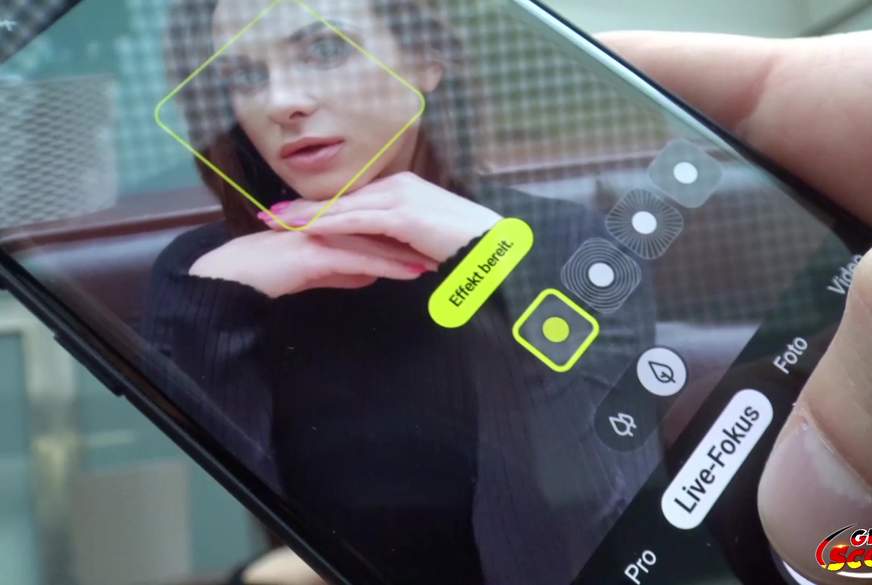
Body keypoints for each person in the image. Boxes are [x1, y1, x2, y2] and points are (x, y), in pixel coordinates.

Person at [144, 1, 654, 584]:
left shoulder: (565, 243)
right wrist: (218, 304)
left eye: (325, 50)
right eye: (243, 77)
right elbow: (233, 531)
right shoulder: (203, 279)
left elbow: (608, 539)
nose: (281, 103)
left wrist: (502, 272)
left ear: (425, 61)